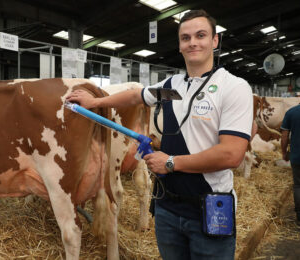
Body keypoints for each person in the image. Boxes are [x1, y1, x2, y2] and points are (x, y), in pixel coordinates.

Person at [66, 9, 253, 260]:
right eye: (186, 38)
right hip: (167, 208)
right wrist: (96, 101)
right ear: (180, 45)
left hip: (208, 208)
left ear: (215, 40)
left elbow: (232, 154)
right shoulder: (171, 86)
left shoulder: (234, 87)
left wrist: (171, 162)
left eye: (201, 35)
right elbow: (136, 95)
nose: (193, 42)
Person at [281, 104, 300, 225]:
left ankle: (299, 215)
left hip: (297, 157)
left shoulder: (291, 112)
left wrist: (284, 153)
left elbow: (284, 137)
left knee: (298, 186)